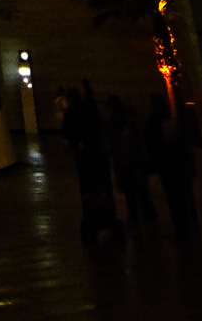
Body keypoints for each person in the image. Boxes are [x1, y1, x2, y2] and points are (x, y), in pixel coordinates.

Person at [63, 80, 123, 243]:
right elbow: (100, 126)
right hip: (98, 154)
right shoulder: (89, 108)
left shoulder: (70, 114)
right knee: (105, 187)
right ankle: (109, 219)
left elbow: (68, 136)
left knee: (87, 190)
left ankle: (92, 222)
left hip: (84, 157)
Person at [147, 91, 197, 233]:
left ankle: (181, 225)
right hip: (172, 164)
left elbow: (153, 145)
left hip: (169, 165)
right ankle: (183, 224)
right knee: (178, 195)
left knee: (174, 196)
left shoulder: (155, 122)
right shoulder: (165, 119)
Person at [105, 94, 155, 224]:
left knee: (130, 191)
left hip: (125, 161)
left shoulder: (113, 122)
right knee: (139, 189)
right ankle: (146, 213)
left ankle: (135, 215)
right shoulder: (130, 120)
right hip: (134, 160)